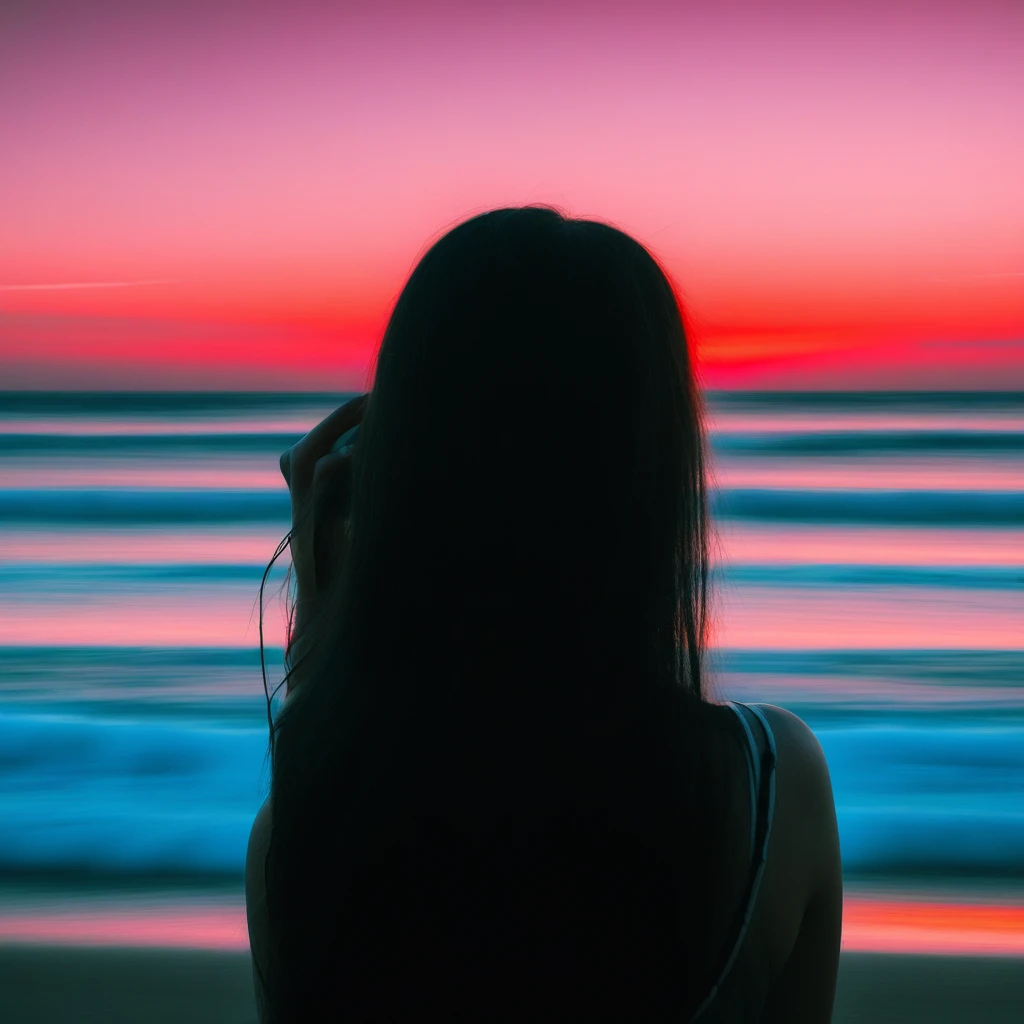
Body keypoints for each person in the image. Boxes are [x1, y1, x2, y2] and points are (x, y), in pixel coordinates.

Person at [246, 205, 842, 1021]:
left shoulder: (315, 848)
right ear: (650, 477)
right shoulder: (774, 794)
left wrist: (321, 643)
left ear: (404, 479)